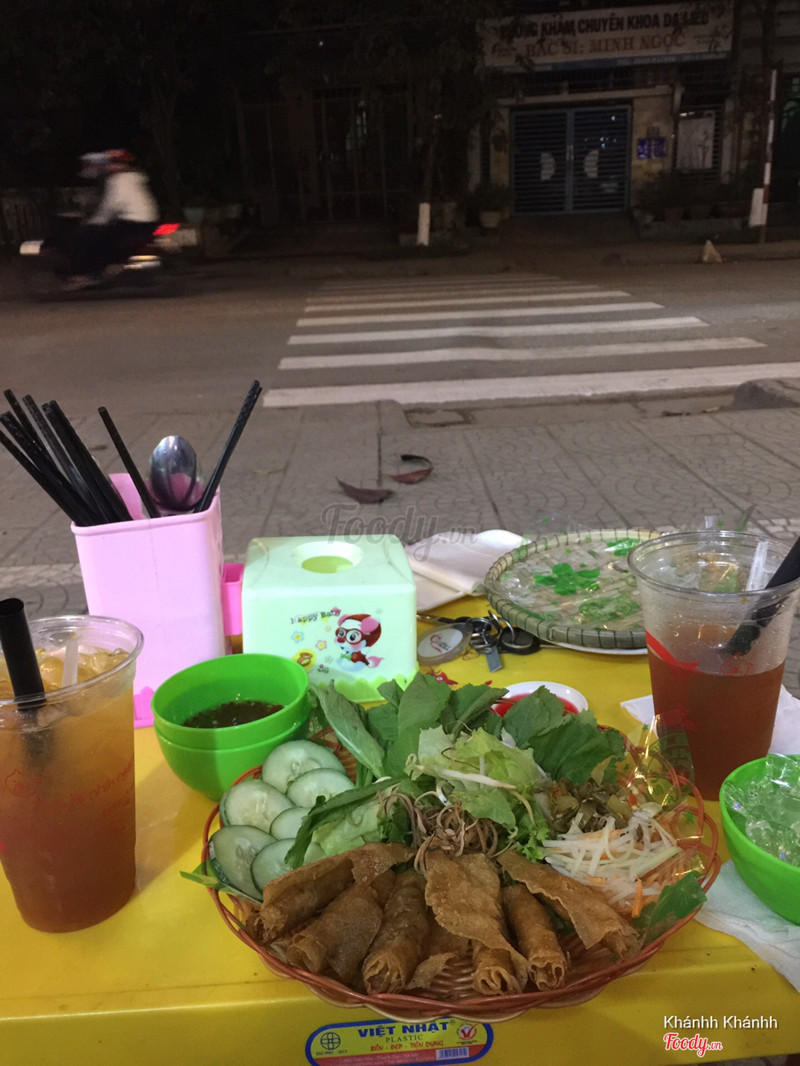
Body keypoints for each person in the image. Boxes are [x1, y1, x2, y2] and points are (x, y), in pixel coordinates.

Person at [64, 149, 159, 290]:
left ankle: (90, 275)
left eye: (114, 163)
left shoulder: (119, 180)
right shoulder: (134, 178)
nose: (110, 166)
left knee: (91, 238)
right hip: (145, 221)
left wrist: (95, 222)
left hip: (132, 222)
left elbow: (111, 205)